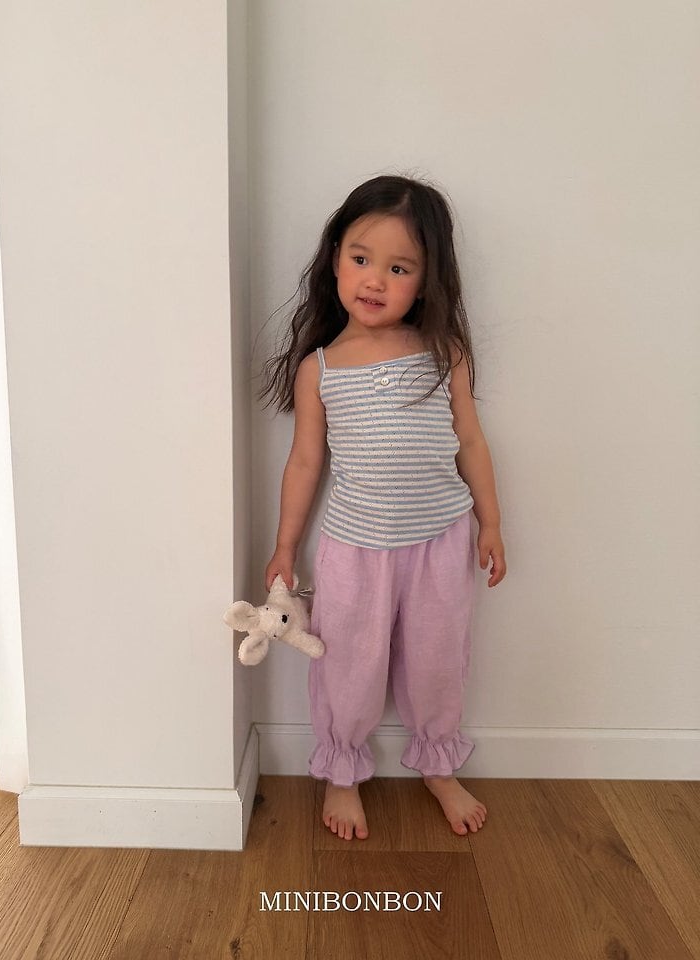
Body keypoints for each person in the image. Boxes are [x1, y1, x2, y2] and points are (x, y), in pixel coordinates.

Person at [260, 174, 506, 841]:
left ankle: (438, 764)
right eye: (361, 258)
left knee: (437, 659)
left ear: (425, 282)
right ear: (335, 258)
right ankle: (342, 772)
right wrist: (285, 545)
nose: (375, 279)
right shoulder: (320, 368)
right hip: (355, 549)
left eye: (399, 268)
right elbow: (305, 462)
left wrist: (490, 521)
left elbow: (471, 441)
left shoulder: (444, 354)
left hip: (440, 541)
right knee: (348, 663)